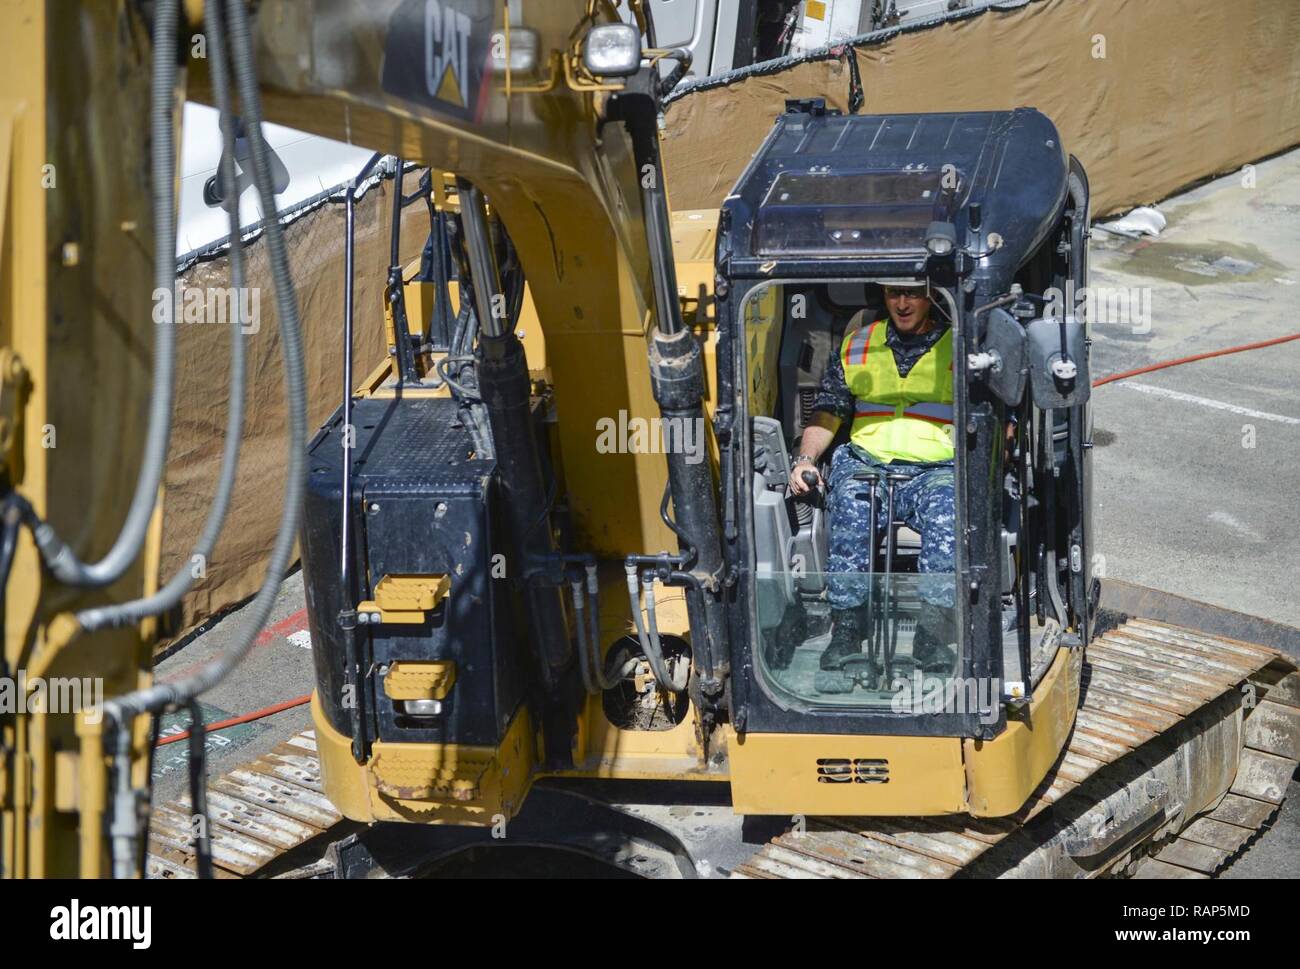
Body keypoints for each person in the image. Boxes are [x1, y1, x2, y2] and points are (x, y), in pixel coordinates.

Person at [788, 281, 957, 693]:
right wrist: (806, 460)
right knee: (849, 507)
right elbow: (829, 411)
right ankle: (846, 632)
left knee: (948, 515)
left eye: (912, 294)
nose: (902, 303)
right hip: (867, 461)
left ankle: (932, 637)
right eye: (893, 293)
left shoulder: (962, 345)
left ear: (931, 295)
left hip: (937, 466)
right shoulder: (857, 344)